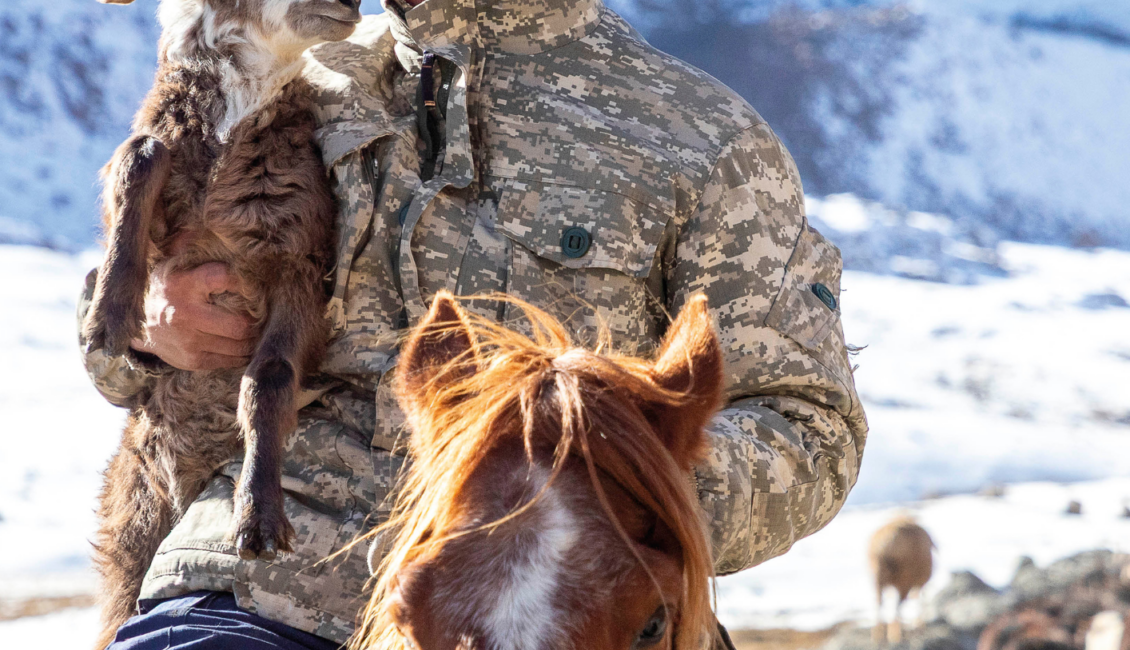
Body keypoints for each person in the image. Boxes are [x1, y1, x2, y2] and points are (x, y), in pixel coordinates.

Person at [78, 0, 868, 647]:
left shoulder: (702, 138)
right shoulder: (288, 64)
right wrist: (152, 325)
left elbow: (807, 424)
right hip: (261, 585)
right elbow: (112, 329)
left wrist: (615, 501)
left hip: (571, 610)